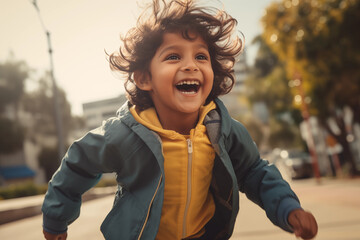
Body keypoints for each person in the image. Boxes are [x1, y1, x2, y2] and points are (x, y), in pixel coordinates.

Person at [42, 0, 318, 239]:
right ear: (144, 78)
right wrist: (56, 217)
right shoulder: (126, 134)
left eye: (201, 56)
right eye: (173, 56)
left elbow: (255, 172)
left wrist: (288, 208)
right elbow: (78, 165)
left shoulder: (223, 130)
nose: (190, 65)